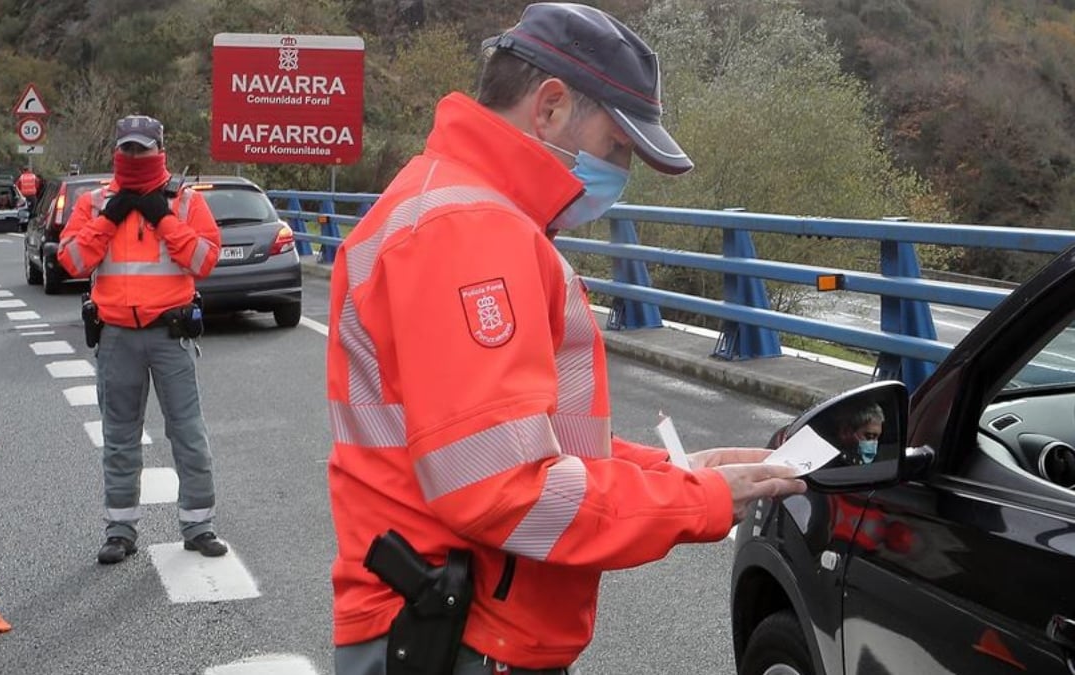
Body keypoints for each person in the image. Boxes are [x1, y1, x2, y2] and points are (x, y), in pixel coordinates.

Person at [326, 4, 807, 674]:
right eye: (616, 148)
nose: (618, 172)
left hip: (450, 618)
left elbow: (518, 437)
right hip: (456, 631)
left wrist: (670, 471)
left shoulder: (452, 208)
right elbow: (502, 486)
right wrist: (699, 499)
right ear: (550, 106)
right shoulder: (470, 232)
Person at [57, 114, 227, 565]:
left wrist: (164, 218)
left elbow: (206, 259)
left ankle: (198, 525)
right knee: (119, 438)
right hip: (116, 337)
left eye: (142, 148)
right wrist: (109, 220)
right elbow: (72, 260)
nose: (134, 156)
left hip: (169, 335)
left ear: (159, 150)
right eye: (127, 148)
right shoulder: (95, 203)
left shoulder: (185, 202)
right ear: (117, 150)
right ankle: (120, 530)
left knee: (188, 435)